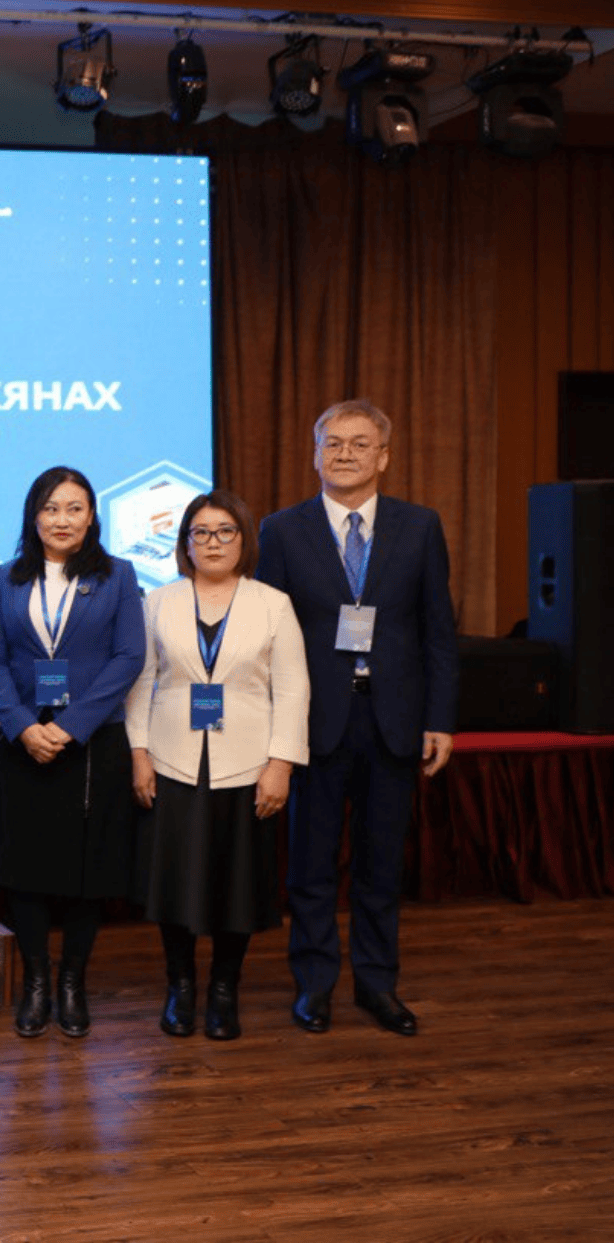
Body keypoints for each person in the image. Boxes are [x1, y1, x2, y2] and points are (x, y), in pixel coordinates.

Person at [257, 399, 458, 1037]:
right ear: (316, 454)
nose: (345, 453)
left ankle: (377, 986)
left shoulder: (420, 526)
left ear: (384, 456)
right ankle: (314, 987)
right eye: (333, 443)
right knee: (310, 867)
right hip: (313, 723)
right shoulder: (281, 531)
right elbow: (266, 637)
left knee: (379, 867)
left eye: (360, 443)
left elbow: (438, 632)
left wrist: (441, 718)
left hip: (394, 720)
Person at [126, 490, 309, 1041]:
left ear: (243, 539)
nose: (213, 542)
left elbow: (294, 688)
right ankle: (180, 986)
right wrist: (138, 753)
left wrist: (281, 763)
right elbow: (139, 682)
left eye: (224, 531)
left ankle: (224, 990)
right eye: (200, 532)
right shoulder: (157, 602)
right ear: (184, 543)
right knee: (174, 884)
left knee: (238, 884)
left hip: (247, 765)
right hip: (173, 760)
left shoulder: (272, 604)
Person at [0, 466, 144, 1040]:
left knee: (85, 870)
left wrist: (70, 727)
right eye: (51, 508)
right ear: (34, 515)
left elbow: (128, 658)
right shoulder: (8, 578)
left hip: (92, 743)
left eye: (74, 508)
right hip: (23, 742)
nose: (62, 519)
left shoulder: (118, 576)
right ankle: (37, 984)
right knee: (26, 872)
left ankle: (72, 983)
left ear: (92, 516)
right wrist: (24, 726)